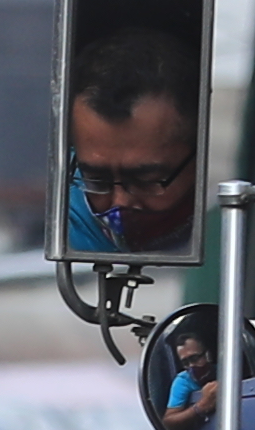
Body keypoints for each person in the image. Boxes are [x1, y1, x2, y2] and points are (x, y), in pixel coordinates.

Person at [62, 22, 202, 258]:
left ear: (200, 156)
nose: (119, 203)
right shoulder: (58, 229)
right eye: (97, 179)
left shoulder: (234, 230)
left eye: (145, 180)